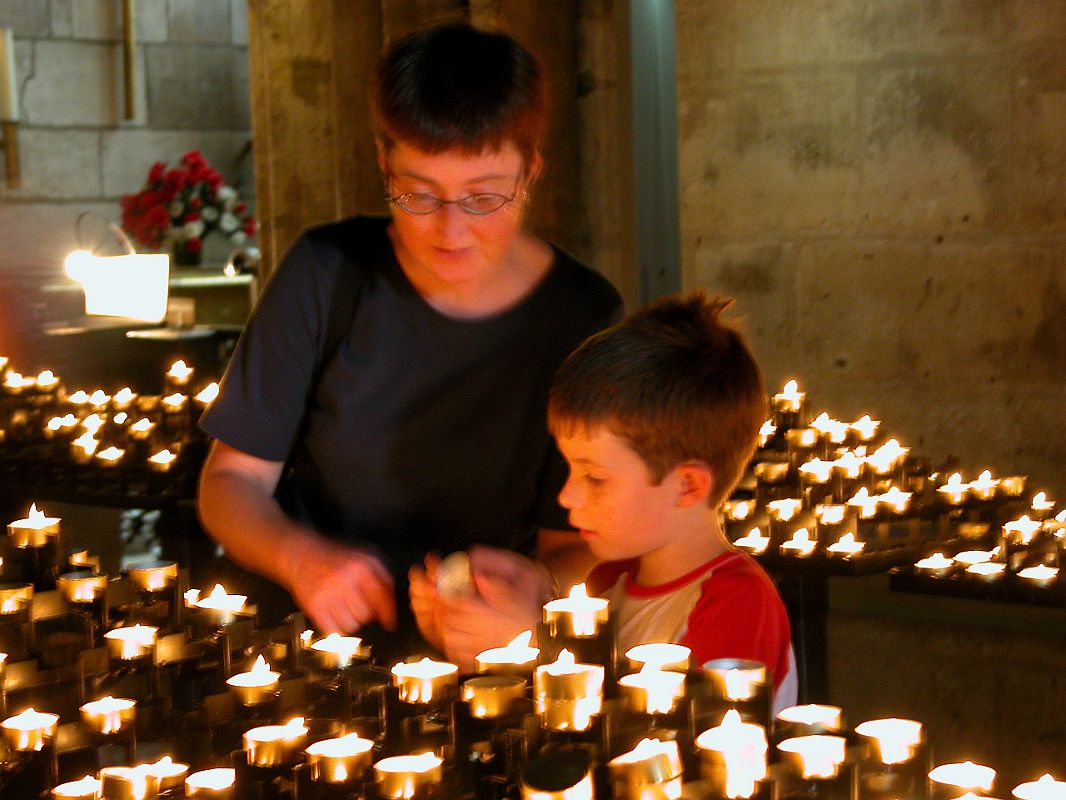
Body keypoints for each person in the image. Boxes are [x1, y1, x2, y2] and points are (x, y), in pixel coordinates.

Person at [196, 20, 622, 656]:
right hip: (315, 647)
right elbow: (231, 483)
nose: (450, 230)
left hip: (485, 656)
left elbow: (576, 539)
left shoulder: (580, 315)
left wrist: (539, 586)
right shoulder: (328, 273)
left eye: (484, 198)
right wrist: (299, 557)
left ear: (530, 171)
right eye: (418, 194)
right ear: (382, 161)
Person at [421, 291, 796, 711]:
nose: (565, 495)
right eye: (567, 468)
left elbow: (683, 748)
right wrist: (480, 632)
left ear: (687, 486)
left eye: (594, 477)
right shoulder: (607, 581)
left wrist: (534, 650)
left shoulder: (736, 604)